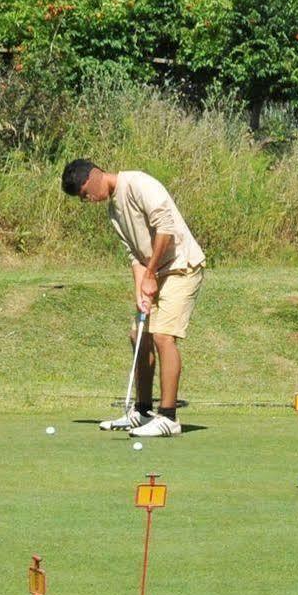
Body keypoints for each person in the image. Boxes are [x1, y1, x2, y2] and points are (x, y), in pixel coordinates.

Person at [60, 159, 206, 438]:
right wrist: (141, 291)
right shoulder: (114, 211)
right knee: (138, 334)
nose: (87, 200)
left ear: (92, 177)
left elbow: (166, 229)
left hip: (182, 266)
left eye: (83, 194)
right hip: (156, 272)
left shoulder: (138, 183)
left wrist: (151, 274)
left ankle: (168, 417)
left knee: (163, 335)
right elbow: (135, 256)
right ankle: (142, 411)